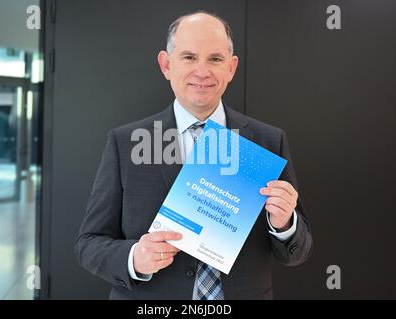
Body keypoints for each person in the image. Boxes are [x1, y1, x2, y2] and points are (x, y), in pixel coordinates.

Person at [75, 11, 312, 300]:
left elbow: (298, 252)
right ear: (166, 64)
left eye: (215, 59)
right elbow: (89, 244)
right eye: (189, 57)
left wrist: (284, 224)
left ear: (231, 68)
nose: (202, 71)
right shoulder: (125, 143)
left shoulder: (267, 142)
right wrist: (135, 257)